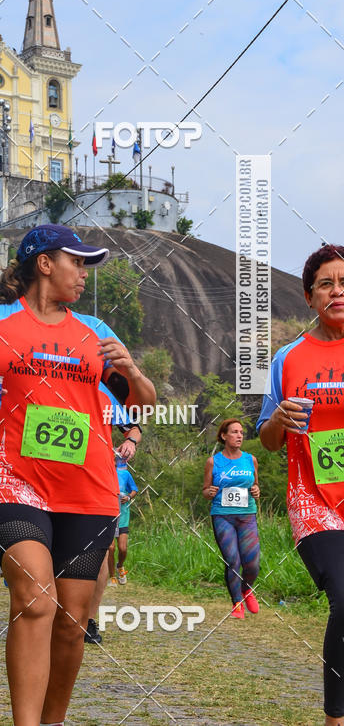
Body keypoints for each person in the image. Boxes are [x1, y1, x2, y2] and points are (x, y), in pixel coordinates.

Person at [0, 223, 155, 726]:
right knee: (36, 597)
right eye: (76, 262)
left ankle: (52, 721)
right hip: (12, 482)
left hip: (88, 490)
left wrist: (135, 372)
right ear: (43, 263)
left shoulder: (97, 335)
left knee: (70, 621)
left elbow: (142, 407)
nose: (83, 274)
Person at [257, 244, 344, 726]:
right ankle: (336, 716)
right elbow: (268, 440)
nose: (338, 291)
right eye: (327, 284)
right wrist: (282, 420)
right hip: (316, 503)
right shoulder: (288, 359)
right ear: (310, 298)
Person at [202, 419, 260, 618]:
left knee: (252, 563)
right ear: (224, 436)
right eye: (234, 432)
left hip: (247, 516)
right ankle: (236, 602)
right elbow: (205, 490)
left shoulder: (250, 460)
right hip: (222, 516)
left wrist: (256, 490)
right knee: (233, 560)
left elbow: (256, 485)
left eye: (241, 432)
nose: (239, 435)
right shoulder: (213, 462)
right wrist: (209, 492)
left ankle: (246, 590)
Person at [108, 456, 138, 585]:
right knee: (111, 548)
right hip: (108, 514)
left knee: (122, 548)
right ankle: (112, 577)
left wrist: (128, 497)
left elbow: (134, 490)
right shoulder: (104, 473)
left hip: (123, 514)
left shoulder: (125, 474)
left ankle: (120, 565)